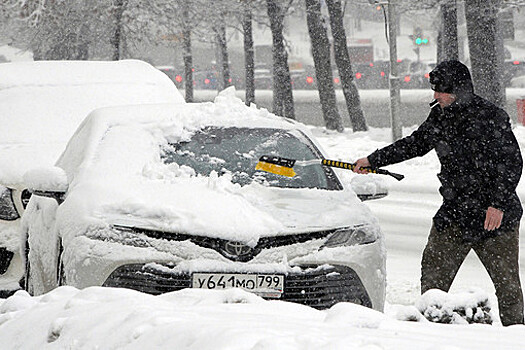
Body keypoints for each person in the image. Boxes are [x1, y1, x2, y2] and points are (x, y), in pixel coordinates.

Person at [354, 60, 524, 326]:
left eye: (441, 90)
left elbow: (512, 163)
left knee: (509, 288)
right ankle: (432, 333)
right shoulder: (441, 116)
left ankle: (516, 334)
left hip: (496, 218)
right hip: (455, 213)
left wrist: (498, 203)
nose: (436, 95)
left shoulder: (491, 117)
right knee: (433, 281)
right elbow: (415, 144)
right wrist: (373, 160)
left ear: (459, 89)